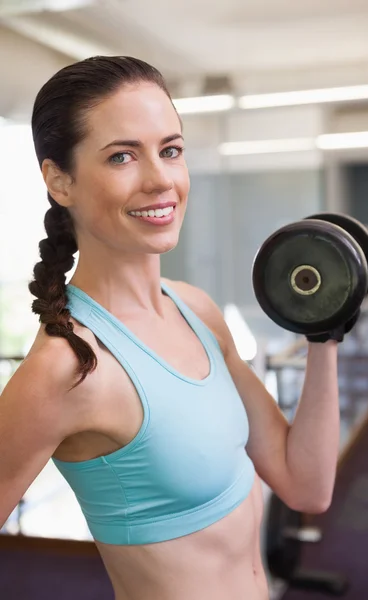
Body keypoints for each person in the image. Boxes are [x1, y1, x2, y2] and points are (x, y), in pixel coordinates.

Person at [0, 56, 342, 600]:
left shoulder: (195, 309)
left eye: (171, 149)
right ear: (59, 181)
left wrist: (325, 332)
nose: (161, 179)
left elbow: (306, 485)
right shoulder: (67, 368)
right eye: (121, 157)